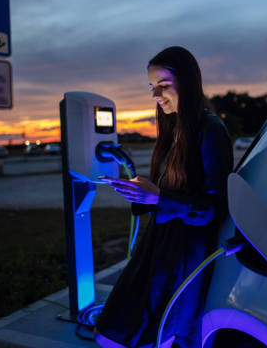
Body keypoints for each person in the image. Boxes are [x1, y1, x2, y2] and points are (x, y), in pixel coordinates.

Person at [95, 46, 233, 348]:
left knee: (169, 327)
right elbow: (169, 190)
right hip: (161, 242)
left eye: (163, 85)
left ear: (187, 82)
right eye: (151, 86)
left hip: (188, 250)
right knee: (128, 325)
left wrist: (160, 199)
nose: (155, 94)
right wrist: (142, 192)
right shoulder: (173, 130)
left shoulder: (210, 130)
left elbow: (215, 207)